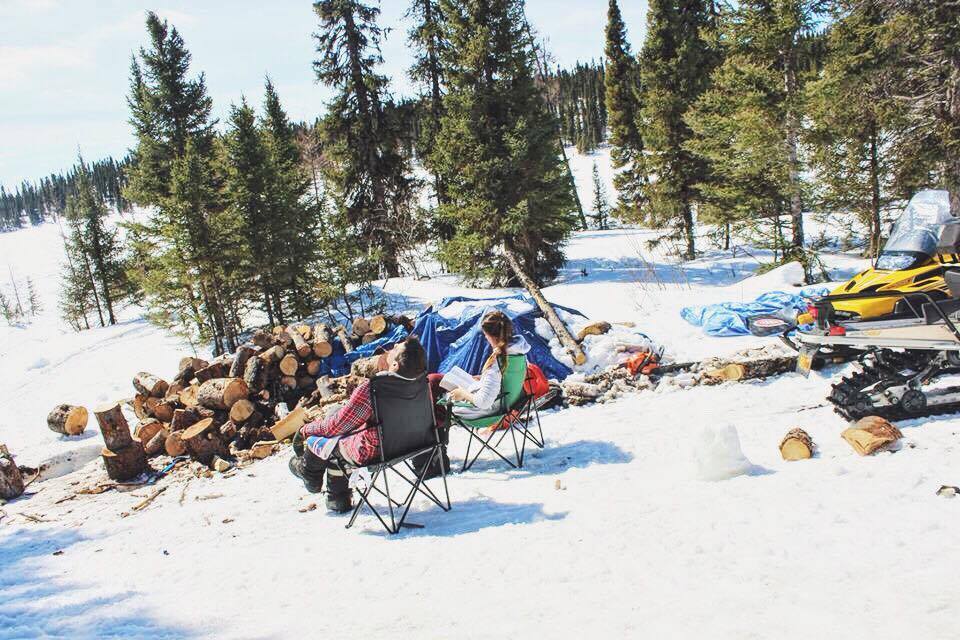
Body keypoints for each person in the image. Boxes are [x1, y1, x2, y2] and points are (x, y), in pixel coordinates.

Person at [288, 335, 430, 513]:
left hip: (374, 452)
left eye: (396, 348)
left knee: (330, 436)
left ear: (395, 365)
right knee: (337, 420)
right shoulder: (423, 383)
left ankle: (309, 472)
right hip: (414, 442)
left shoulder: (374, 389)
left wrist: (305, 429)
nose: (393, 345)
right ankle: (335, 496)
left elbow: (335, 427)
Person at [436, 310, 530, 420]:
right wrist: (484, 378)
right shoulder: (518, 353)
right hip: (503, 403)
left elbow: (484, 402)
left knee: (437, 394)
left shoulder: (497, 363)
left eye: (485, 335)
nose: (486, 338)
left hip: (488, 411)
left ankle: (436, 436)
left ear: (491, 336)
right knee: (449, 379)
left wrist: (462, 393)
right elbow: (509, 378)